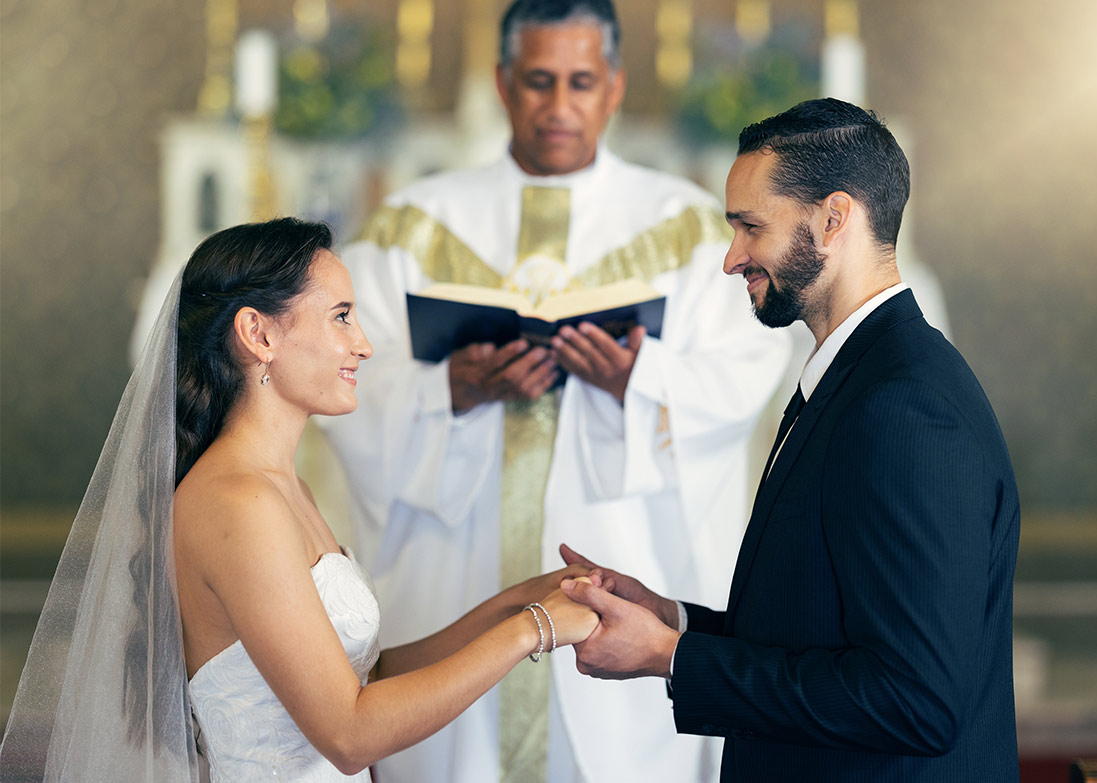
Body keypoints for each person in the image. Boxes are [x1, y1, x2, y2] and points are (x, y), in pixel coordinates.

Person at [317, 2, 791, 782]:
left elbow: (744, 373)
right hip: (452, 582)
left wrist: (635, 376)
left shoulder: (689, 227)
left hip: (620, 560)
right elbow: (343, 376)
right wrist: (449, 388)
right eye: (539, 82)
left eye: (581, 82)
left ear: (614, 87)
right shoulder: (412, 225)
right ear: (504, 85)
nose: (560, 106)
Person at [0, 218, 598, 783]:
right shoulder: (237, 501)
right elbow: (349, 734)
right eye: (341, 316)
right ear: (258, 333)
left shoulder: (284, 489)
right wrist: (533, 631)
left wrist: (526, 596)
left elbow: (369, 678)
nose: (363, 345)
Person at [559, 98, 1021, 781]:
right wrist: (674, 622)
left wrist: (670, 659)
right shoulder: (858, 376)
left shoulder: (906, 407)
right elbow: (819, 632)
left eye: (751, 227)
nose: (731, 258)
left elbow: (917, 699)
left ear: (833, 219)